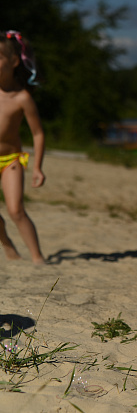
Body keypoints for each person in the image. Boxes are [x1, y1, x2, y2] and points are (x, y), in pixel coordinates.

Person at [0, 30, 46, 264]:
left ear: (14, 61)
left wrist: (37, 167)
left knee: (16, 210)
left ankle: (38, 258)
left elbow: (38, 134)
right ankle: (7, 245)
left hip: (11, 162)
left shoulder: (22, 98)